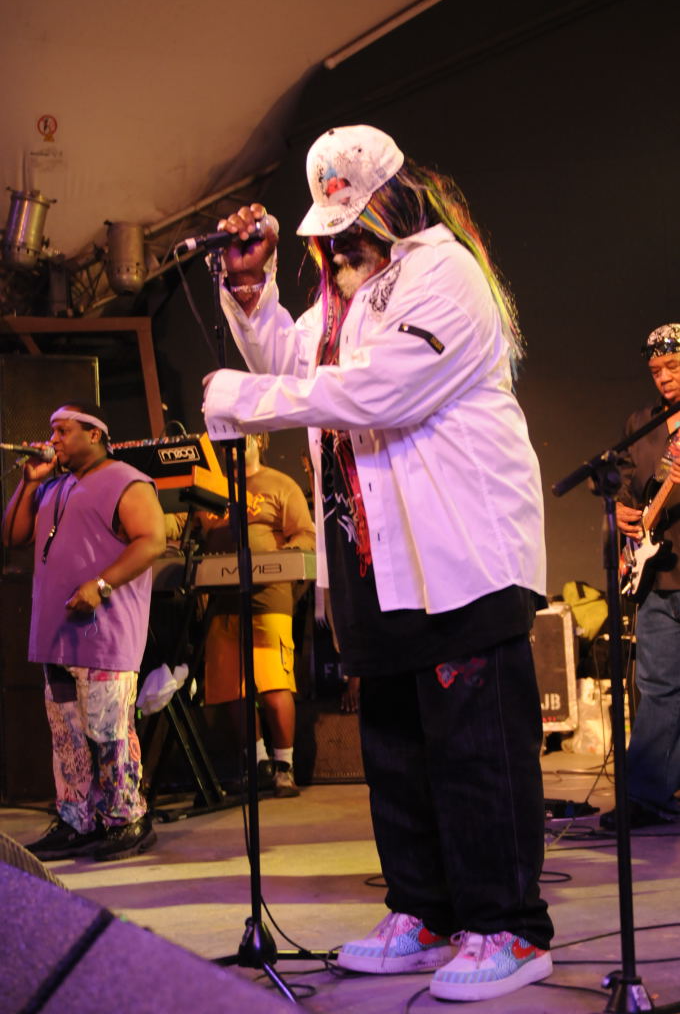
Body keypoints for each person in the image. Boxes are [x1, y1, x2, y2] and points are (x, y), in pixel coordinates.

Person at [202, 125, 553, 1002]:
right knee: (396, 750)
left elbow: (380, 389)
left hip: (460, 557)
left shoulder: (444, 274)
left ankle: (508, 929)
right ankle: (424, 912)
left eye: (352, 224)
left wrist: (242, 399)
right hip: (375, 565)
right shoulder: (346, 299)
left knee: (474, 752)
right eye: (329, 230)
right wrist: (248, 292)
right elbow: (294, 363)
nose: (336, 244)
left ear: (393, 201)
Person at [1, 402, 166, 861]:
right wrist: (29, 482)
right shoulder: (53, 485)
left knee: (108, 731)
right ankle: (77, 819)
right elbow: (13, 536)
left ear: (94, 434)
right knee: (67, 737)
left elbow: (153, 540)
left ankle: (126, 819)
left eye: (63, 430)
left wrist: (101, 584)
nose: (52, 439)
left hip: (104, 634)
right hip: (55, 635)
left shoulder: (126, 480)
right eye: (52, 430)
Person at [196, 432, 315, 797]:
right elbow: (185, 527)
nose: (233, 444)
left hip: (269, 596)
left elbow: (306, 536)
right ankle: (258, 763)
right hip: (223, 600)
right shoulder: (210, 487)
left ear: (260, 440)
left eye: (242, 436)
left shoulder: (281, 484)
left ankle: (284, 766)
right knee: (234, 688)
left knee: (275, 685)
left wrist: (278, 561)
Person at [600, 323, 680, 831]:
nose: (664, 378)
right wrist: (621, 512)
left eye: (672, 366)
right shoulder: (642, 423)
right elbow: (629, 489)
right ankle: (646, 796)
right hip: (657, 576)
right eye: (656, 371)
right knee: (657, 686)